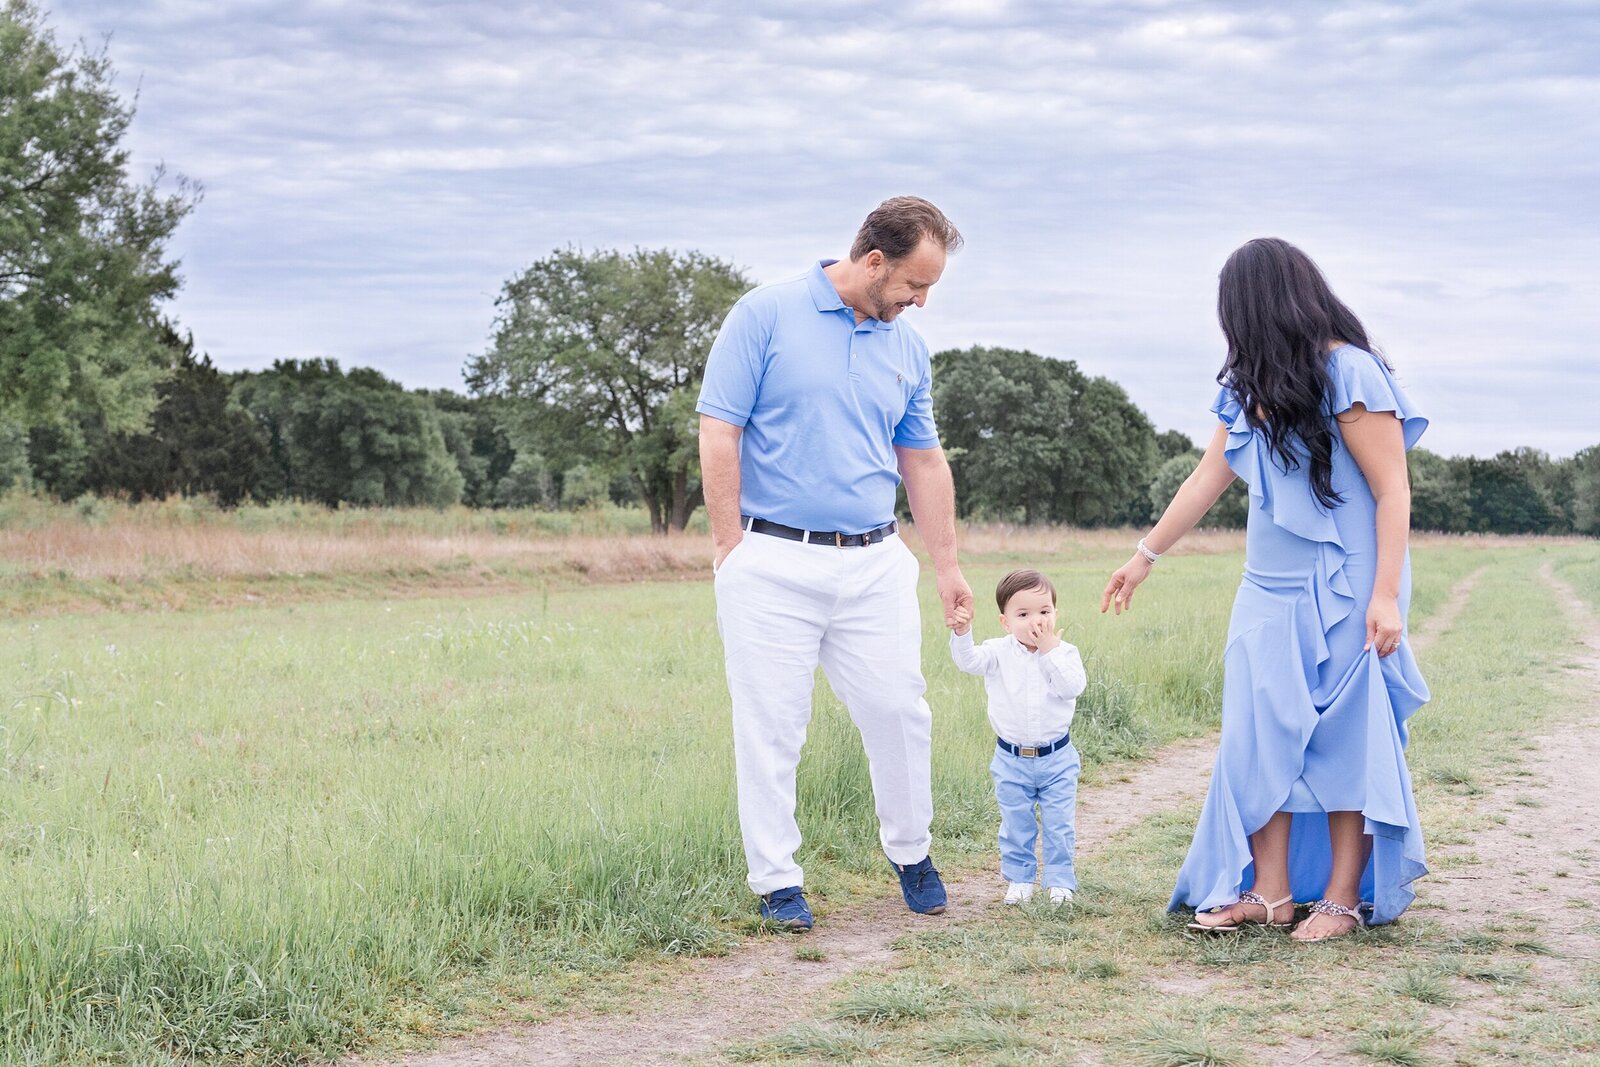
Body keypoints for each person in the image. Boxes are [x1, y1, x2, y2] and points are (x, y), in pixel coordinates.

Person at [1101, 237, 1430, 943]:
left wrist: (1385, 594)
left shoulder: (1351, 371)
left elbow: (1392, 487)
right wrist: (1144, 555)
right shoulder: (1249, 387)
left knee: (1346, 736)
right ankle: (1270, 891)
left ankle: (1342, 898)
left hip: (1349, 584)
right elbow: (1205, 478)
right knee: (1258, 737)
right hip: (1267, 589)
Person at [697, 196, 974, 932]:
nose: (921, 301)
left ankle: (912, 853)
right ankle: (777, 879)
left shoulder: (906, 348)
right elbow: (719, 429)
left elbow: (921, 457)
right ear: (873, 261)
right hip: (772, 558)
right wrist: (731, 549)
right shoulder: (764, 315)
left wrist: (946, 565)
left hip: (875, 561)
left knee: (899, 709)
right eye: (915, 285)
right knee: (772, 724)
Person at [950, 569, 1087, 906]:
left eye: (1044, 612)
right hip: (1011, 759)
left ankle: (1059, 881)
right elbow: (967, 662)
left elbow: (1072, 688)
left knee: (1059, 825)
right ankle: (1021, 878)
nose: (1035, 621)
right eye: (1023, 614)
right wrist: (963, 631)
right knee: (1016, 823)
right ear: (1005, 622)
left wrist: (1048, 651)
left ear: (1055, 614)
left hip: (1057, 757)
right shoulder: (997, 652)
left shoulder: (1065, 653)